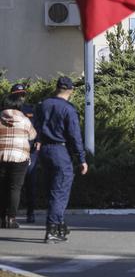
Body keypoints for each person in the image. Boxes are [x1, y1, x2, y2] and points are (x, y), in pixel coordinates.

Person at [36, 77, 88, 243]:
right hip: (60, 150)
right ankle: (53, 228)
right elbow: (74, 136)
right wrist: (81, 159)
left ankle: (59, 224)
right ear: (71, 90)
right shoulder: (68, 109)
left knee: (52, 190)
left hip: (43, 150)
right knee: (60, 191)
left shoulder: (43, 105)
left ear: (56, 88)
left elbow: (35, 127)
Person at [0, 90, 37, 229]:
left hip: (1, 156)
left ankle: (1, 218)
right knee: (15, 188)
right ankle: (11, 219)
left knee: (2, 187)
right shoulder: (25, 120)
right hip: (20, 157)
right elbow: (33, 135)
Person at [10, 84, 38, 223]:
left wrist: (39, 141)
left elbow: (38, 127)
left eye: (23, 94)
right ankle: (10, 214)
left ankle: (30, 212)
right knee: (12, 184)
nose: (21, 97)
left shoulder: (30, 110)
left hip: (29, 150)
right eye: (18, 94)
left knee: (30, 182)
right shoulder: (6, 111)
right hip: (13, 149)